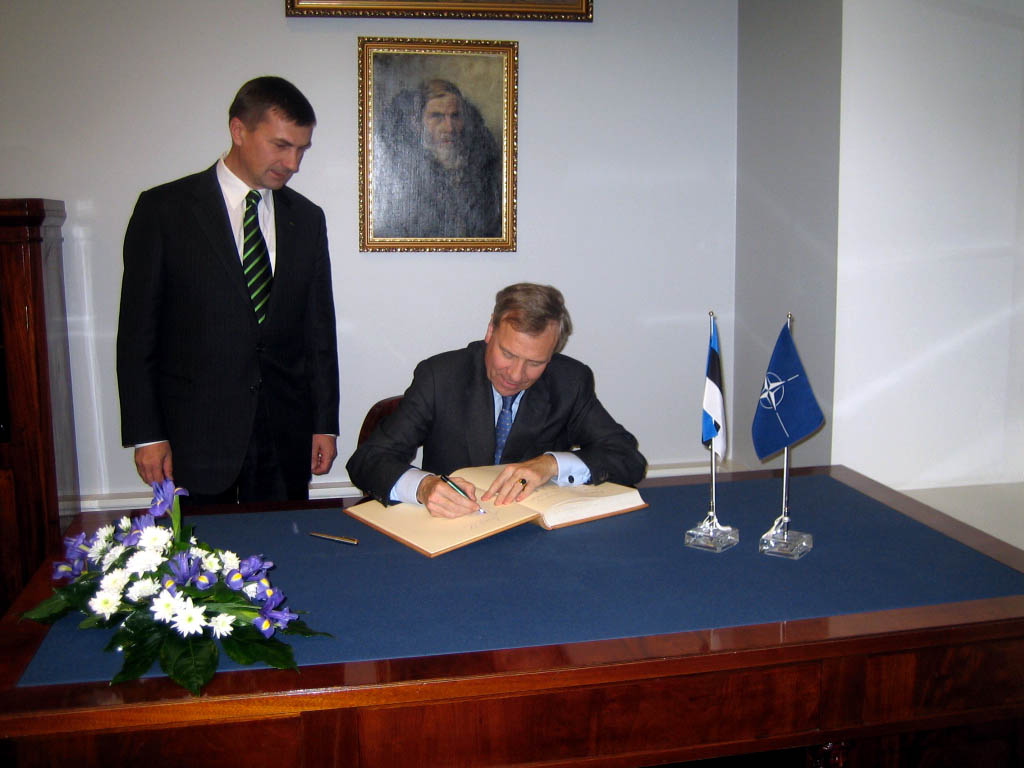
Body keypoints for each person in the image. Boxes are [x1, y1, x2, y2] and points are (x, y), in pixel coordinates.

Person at [117, 76, 340, 504]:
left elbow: (319, 331)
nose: (293, 163)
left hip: (284, 437)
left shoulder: (307, 219)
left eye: (301, 149)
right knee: (201, 564)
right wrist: (146, 434)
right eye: (281, 145)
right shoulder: (165, 211)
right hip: (195, 439)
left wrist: (323, 423)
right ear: (239, 131)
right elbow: (137, 335)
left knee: (287, 558)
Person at [346, 283, 646, 517]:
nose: (516, 375)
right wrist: (424, 487)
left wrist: (551, 464)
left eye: (535, 362)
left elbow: (627, 458)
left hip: (534, 539)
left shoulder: (570, 381)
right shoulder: (440, 377)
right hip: (450, 534)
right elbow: (367, 461)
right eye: (508, 354)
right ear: (490, 330)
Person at [373, 78, 502, 238]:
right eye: (437, 116)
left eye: (455, 116)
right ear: (418, 122)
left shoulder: (483, 169)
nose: (449, 127)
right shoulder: (404, 172)